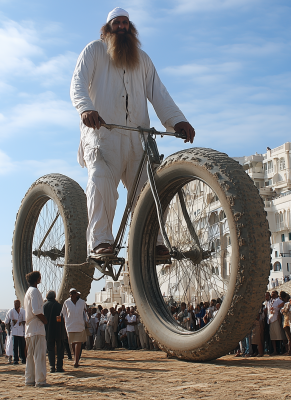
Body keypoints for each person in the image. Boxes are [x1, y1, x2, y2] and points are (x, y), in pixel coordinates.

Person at [70, 7, 195, 256]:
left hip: (138, 138)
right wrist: (86, 109)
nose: (122, 27)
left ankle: (150, 241)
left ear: (131, 27)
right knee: (102, 184)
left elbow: (159, 93)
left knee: (150, 190)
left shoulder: (143, 59)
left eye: (126, 23)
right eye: (117, 23)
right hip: (102, 134)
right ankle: (100, 241)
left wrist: (178, 120)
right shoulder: (94, 50)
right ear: (107, 28)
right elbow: (78, 83)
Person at [24, 271, 49, 387]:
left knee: (30, 356)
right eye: (40, 277)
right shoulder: (34, 291)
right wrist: (45, 320)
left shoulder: (28, 292)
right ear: (36, 279)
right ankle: (40, 380)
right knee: (39, 355)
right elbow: (36, 310)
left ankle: (29, 379)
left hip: (29, 328)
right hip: (36, 327)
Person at [61, 288, 87, 367]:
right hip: (70, 325)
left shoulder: (82, 302)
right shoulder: (67, 302)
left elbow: (85, 312)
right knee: (72, 343)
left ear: (76, 294)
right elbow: (63, 313)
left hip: (79, 325)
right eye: (71, 293)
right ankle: (75, 356)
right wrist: (66, 321)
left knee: (78, 342)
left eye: (74, 293)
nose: (72, 295)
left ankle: (76, 361)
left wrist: (86, 321)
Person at [43, 290, 64, 373]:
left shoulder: (44, 306)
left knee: (50, 349)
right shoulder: (59, 306)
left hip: (48, 330)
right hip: (58, 330)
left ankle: (52, 366)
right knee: (60, 348)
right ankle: (59, 367)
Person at [266, 290, 285, 355]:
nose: (272, 295)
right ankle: (275, 350)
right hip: (270, 320)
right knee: (273, 336)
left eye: (274, 294)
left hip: (276, 319)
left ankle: (282, 349)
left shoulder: (278, 300)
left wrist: (276, 307)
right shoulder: (269, 302)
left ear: (277, 295)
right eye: (272, 293)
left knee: (279, 335)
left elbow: (283, 303)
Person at [10, 300, 26, 365]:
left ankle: (23, 358)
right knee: (15, 346)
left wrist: (21, 322)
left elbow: (25, 320)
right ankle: (15, 359)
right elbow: (11, 319)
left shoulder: (23, 311)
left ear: (19, 304)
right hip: (14, 330)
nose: (15, 305)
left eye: (17, 303)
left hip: (21, 330)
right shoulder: (11, 311)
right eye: (15, 303)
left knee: (22, 346)